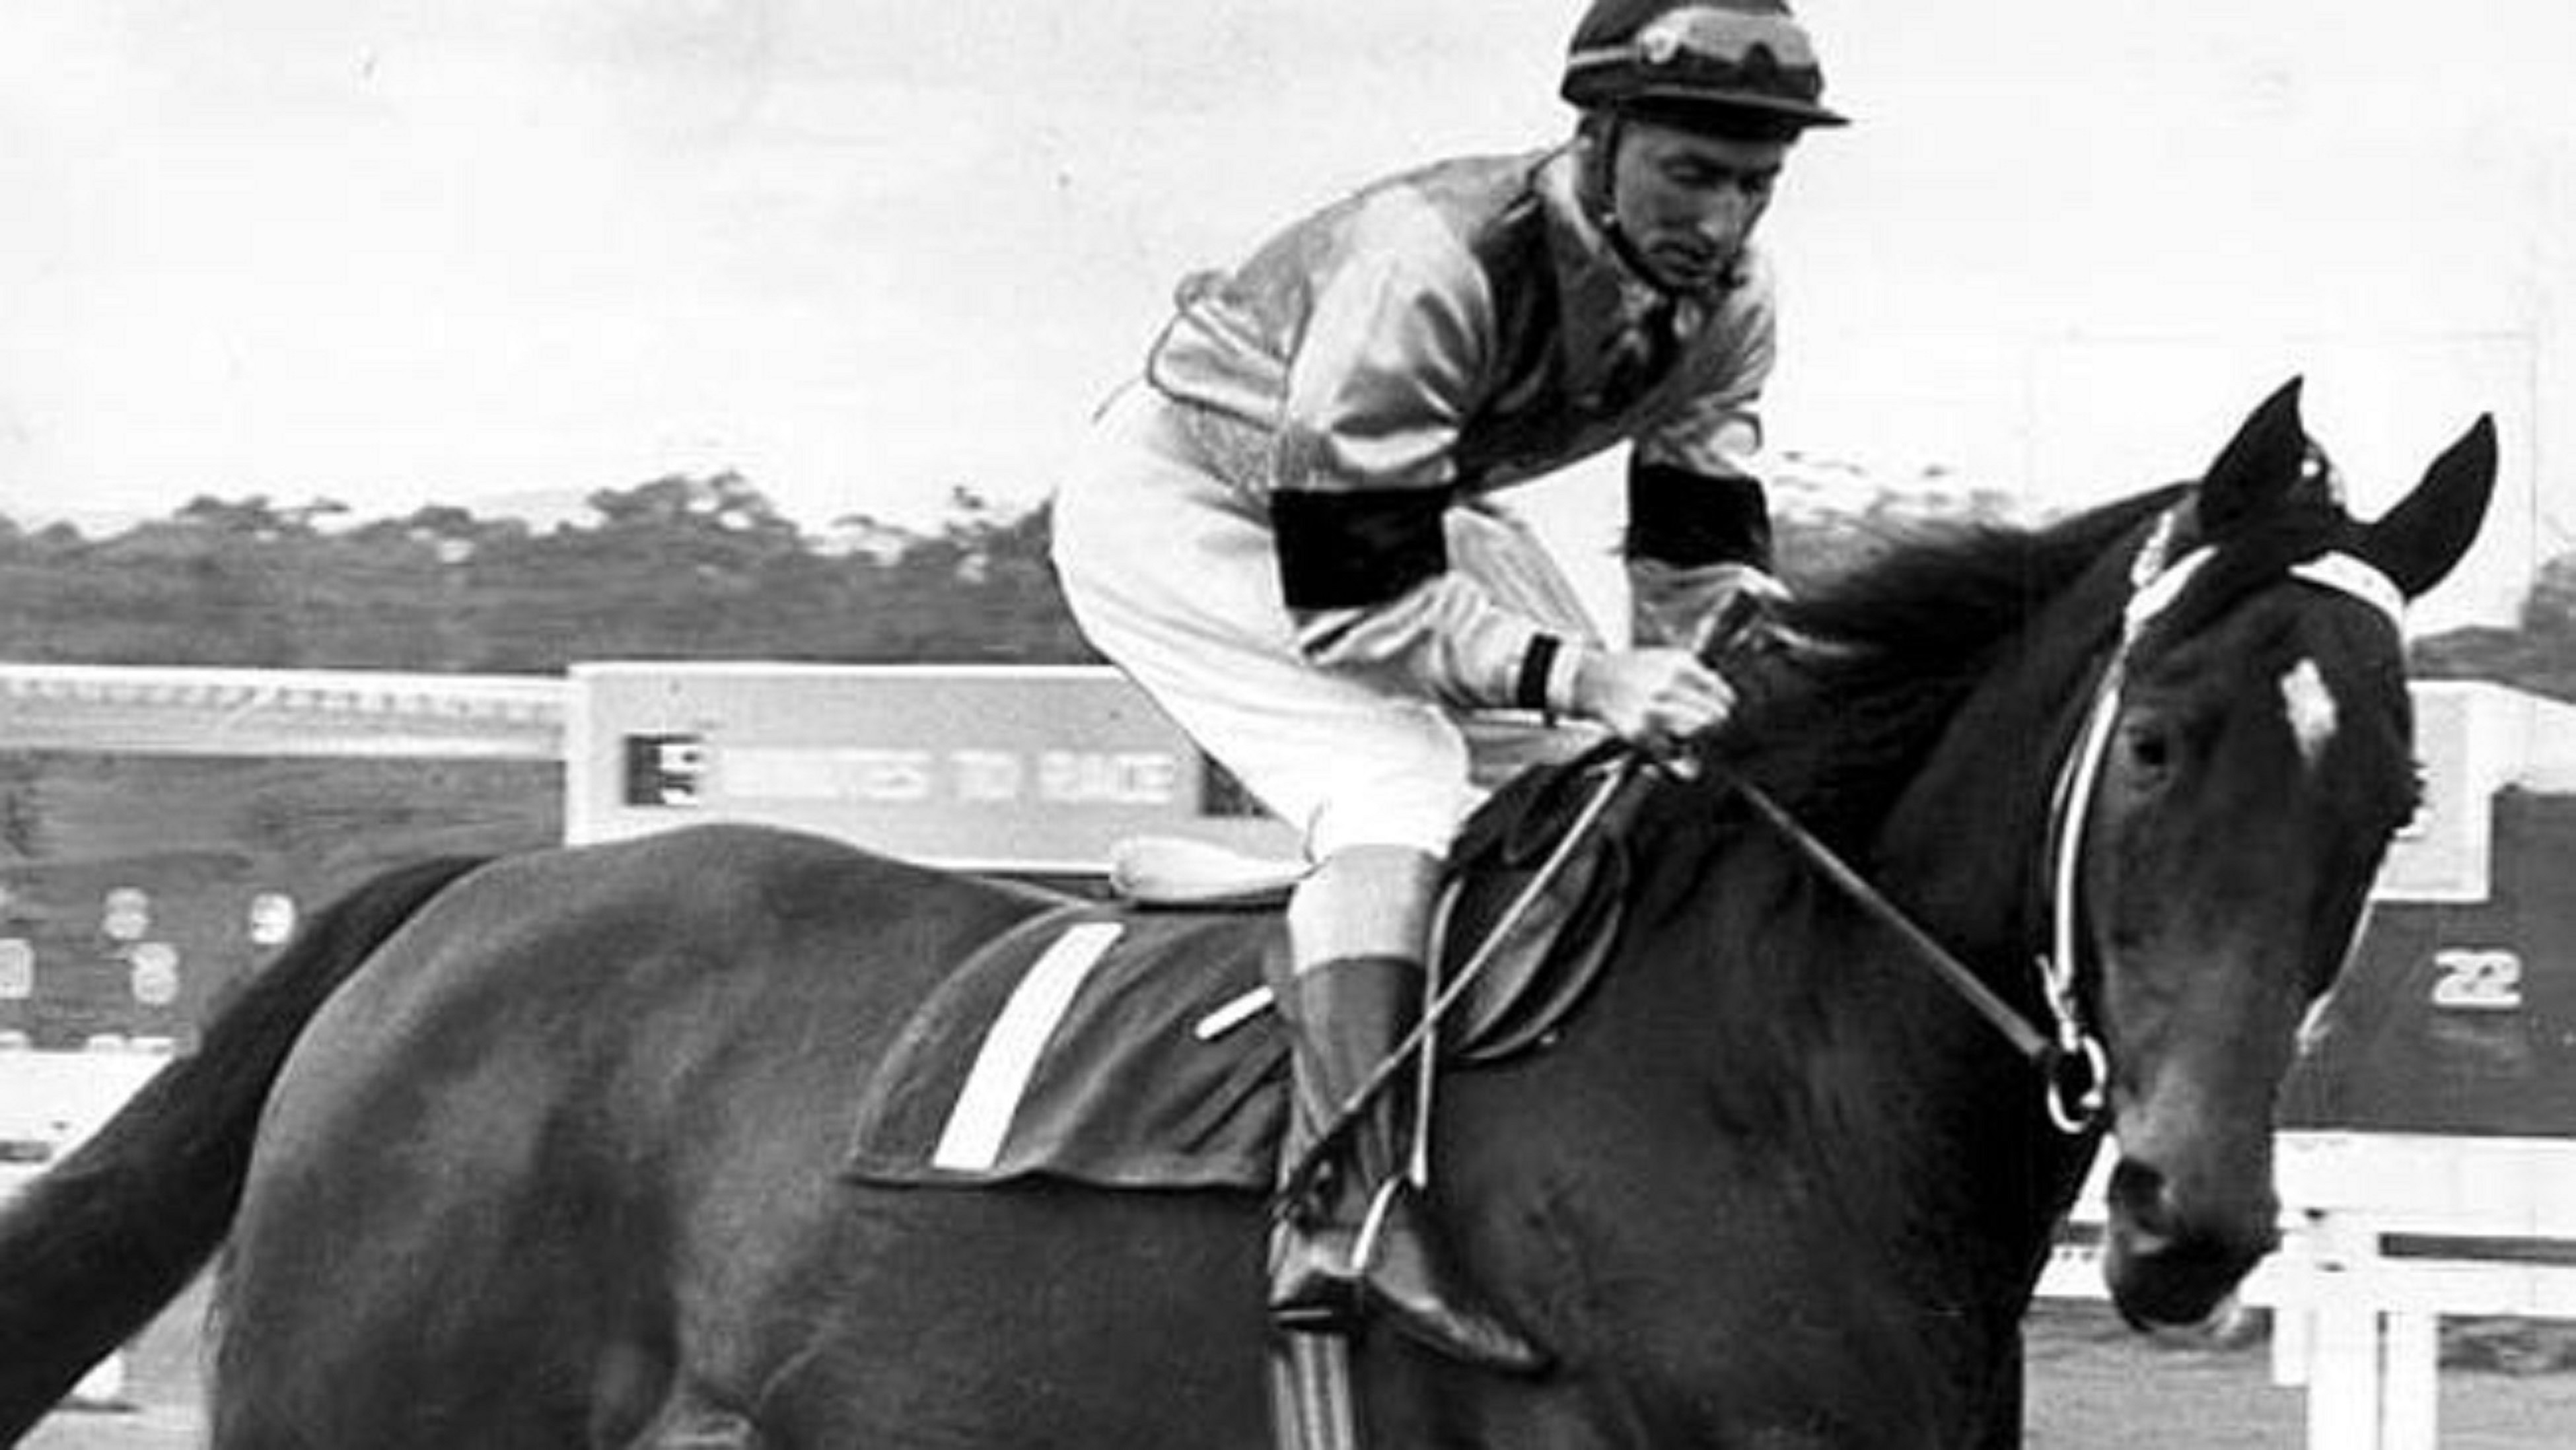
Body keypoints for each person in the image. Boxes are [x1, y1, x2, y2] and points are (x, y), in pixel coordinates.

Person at [1049, 0, 1847, 1371]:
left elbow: (1695, 554)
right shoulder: (1427, 264)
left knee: (1606, 785)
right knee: (1398, 781)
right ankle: (1340, 1208)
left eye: (1755, 184)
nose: (1720, 222)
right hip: (1192, 511)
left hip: (1408, 515)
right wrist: (1586, 672)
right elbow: (1360, 607)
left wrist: (1724, 686)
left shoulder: (1735, 301)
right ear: (1598, 138)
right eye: (1691, 174)